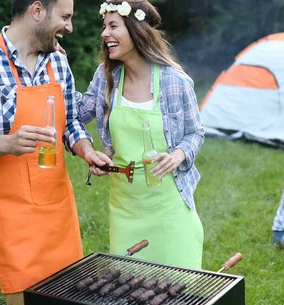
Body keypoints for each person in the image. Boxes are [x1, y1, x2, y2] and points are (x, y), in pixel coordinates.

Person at [0, 0, 113, 305]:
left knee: (69, 302)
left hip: (58, 208)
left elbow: (70, 122)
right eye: (65, 17)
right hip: (13, 215)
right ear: (37, 10)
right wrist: (7, 143)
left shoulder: (58, 63)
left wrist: (86, 150)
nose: (69, 28)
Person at [78, 0, 205, 269]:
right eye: (104, 26)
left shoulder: (175, 81)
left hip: (169, 208)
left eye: (113, 26)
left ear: (136, 31)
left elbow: (195, 132)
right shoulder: (106, 77)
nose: (104, 33)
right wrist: (92, 152)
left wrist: (177, 156)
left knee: (177, 294)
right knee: (129, 292)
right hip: (125, 208)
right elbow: (76, 116)